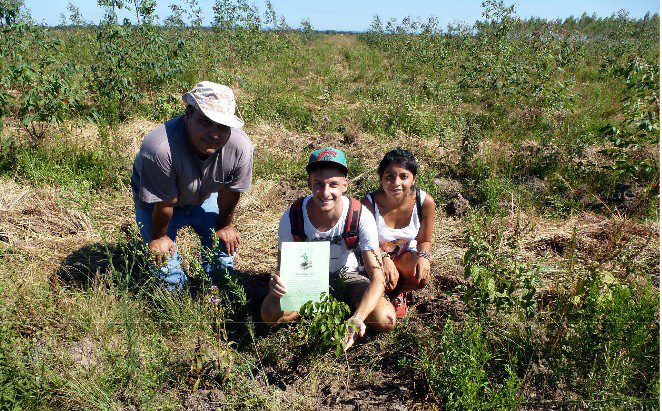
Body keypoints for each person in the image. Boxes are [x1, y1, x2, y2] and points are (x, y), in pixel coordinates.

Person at [261, 147, 396, 350]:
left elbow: (377, 276)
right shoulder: (292, 216)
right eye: (318, 184)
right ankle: (316, 307)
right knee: (269, 316)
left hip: (349, 276)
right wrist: (277, 287)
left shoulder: (360, 215)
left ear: (344, 185)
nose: (325, 193)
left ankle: (348, 311)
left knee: (385, 320)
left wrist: (358, 319)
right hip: (307, 278)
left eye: (333, 184)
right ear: (309, 184)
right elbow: (284, 269)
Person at [130, 81, 254, 290]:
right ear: (188, 114)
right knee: (169, 279)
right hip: (158, 204)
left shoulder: (241, 148)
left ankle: (216, 291)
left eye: (223, 127)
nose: (214, 134)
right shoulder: (160, 148)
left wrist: (224, 225)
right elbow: (165, 202)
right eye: (205, 122)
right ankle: (179, 296)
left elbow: (230, 193)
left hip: (203, 196)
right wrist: (159, 237)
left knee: (222, 267)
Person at [362, 149, 435, 318]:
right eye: (390, 176)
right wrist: (384, 258)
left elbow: (424, 239)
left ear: (413, 179)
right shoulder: (368, 204)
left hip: (404, 255)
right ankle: (381, 293)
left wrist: (424, 257)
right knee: (384, 277)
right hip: (374, 255)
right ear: (381, 178)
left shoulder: (424, 202)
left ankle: (399, 292)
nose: (396, 183)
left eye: (404, 176)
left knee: (422, 276)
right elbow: (365, 242)